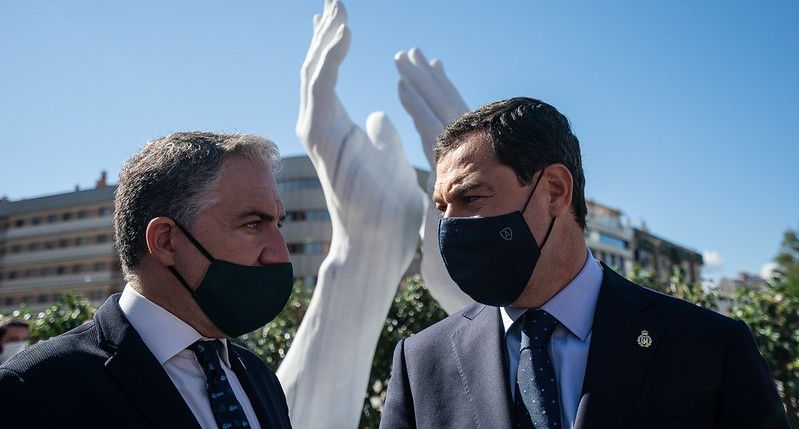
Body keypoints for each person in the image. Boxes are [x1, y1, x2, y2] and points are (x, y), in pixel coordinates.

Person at [380, 97, 788, 429]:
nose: (449, 225)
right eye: (441, 207)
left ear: (555, 191)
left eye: (470, 198)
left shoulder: (709, 348)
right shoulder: (421, 364)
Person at [0, 132, 293, 429]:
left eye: (278, 224)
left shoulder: (260, 377)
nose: (280, 253)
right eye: (253, 224)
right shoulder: (33, 388)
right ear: (165, 241)